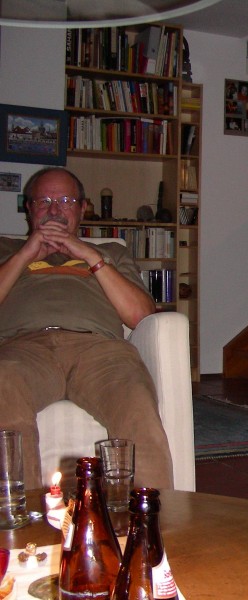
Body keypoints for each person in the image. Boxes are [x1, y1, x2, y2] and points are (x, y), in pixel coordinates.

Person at [0, 167, 174, 490]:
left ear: (82, 209)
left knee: (135, 401)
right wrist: (26, 254)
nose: (54, 210)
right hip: (23, 349)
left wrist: (89, 256)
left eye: (66, 201)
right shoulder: (6, 250)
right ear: (29, 208)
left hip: (100, 350)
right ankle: (21, 517)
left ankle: (151, 517)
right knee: (2, 387)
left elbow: (140, 315)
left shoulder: (111, 253)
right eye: (44, 201)